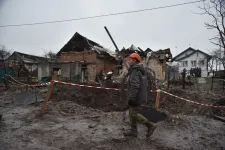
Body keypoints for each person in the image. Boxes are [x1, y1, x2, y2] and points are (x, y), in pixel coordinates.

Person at [123, 53, 156, 137]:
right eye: (128, 59)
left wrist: (131, 99)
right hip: (140, 95)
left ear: (135, 60)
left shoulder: (135, 70)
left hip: (136, 96)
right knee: (131, 112)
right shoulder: (140, 69)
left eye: (130, 59)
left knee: (134, 113)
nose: (128, 61)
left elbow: (135, 85)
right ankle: (133, 131)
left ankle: (150, 125)